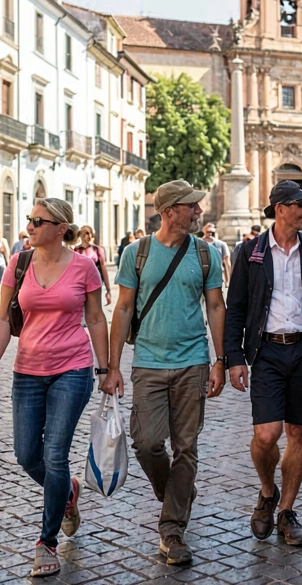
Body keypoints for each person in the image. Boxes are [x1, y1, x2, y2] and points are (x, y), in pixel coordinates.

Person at [0, 198, 109, 577]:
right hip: (28, 371)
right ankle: (67, 493)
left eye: (38, 221)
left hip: (73, 368)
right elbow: (3, 317)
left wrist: (106, 369)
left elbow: (96, 318)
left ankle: (46, 542)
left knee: (55, 453)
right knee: (25, 454)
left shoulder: (84, 267)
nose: (30, 226)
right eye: (29, 220)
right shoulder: (19, 263)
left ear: (61, 228)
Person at [105, 181, 225, 565]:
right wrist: (113, 366)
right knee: (147, 443)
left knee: (186, 447)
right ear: (171, 210)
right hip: (149, 363)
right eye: (192, 206)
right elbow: (122, 308)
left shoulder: (206, 254)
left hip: (193, 362)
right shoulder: (136, 253)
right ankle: (177, 492)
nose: (198, 212)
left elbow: (216, 308)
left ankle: (172, 528)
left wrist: (220, 358)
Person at [225, 181, 302, 547]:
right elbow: (236, 309)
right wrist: (234, 358)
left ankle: (287, 511)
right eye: (300, 206)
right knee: (266, 434)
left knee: (298, 433)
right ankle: (266, 490)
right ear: (280, 209)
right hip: (267, 352)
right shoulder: (251, 252)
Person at [73, 225, 114, 304]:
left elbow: (103, 268)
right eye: (86, 233)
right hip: (80, 283)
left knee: (94, 306)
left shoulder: (97, 249)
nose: (88, 236)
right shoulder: (76, 249)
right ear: (81, 235)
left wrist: (108, 289)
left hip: (94, 281)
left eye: (90, 233)